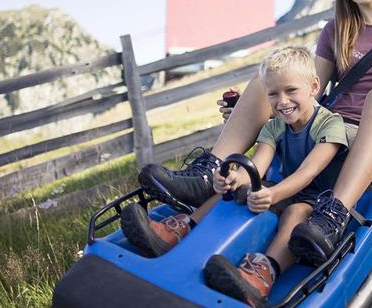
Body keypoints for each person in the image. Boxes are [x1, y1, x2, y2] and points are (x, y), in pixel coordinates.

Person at [138, 0, 372, 268]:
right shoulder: (338, 29)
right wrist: (255, 107)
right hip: (328, 135)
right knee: (266, 78)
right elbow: (305, 87)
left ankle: (334, 215)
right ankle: (208, 173)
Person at [121, 47, 348, 307]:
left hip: (313, 199)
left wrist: (272, 194)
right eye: (273, 94)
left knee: (295, 213)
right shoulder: (275, 126)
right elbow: (258, 163)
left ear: (313, 86)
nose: (282, 101)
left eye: (291, 91)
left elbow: (309, 172)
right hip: (275, 187)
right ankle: (179, 229)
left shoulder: (331, 124)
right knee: (229, 193)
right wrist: (231, 179)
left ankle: (262, 274)